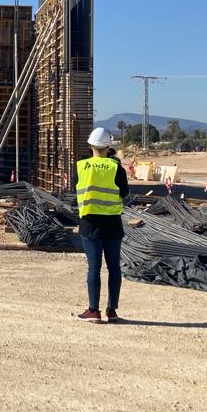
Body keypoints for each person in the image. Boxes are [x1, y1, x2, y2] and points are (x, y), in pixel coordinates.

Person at [75, 127, 129, 324]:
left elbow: (77, 190)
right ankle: (112, 311)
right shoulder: (117, 168)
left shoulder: (81, 167)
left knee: (94, 268)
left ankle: (93, 311)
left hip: (90, 224)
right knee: (114, 267)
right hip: (113, 224)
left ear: (90, 146)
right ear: (109, 146)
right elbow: (124, 193)